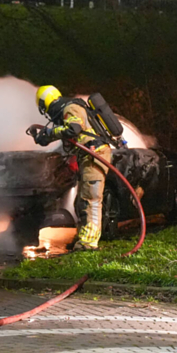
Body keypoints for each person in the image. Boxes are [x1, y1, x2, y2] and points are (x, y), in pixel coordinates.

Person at [28, 85, 113, 252]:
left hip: (94, 154)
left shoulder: (70, 107)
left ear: (45, 104)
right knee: (82, 201)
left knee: (91, 199)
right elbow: (68, 133)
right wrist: (44, 136)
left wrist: (51, 133)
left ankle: (89, 243)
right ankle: (84, 237)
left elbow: (73, 129)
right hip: (89, 156)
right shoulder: (68, 109)